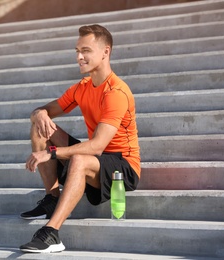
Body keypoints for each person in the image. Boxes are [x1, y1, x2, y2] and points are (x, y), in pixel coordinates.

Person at [19, 24, 141, 253]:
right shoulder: (82, 87)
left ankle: (51, 233)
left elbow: (97, 146)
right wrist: (38, 114)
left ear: (106, 52)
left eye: (85, 50)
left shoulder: (116, 92)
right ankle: (52, 198)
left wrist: (51, 153)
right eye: (77, 51)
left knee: (80, 159)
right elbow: (44, 110)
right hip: (98, 158)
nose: (79, 57)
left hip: (123, 166)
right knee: (40, 126)